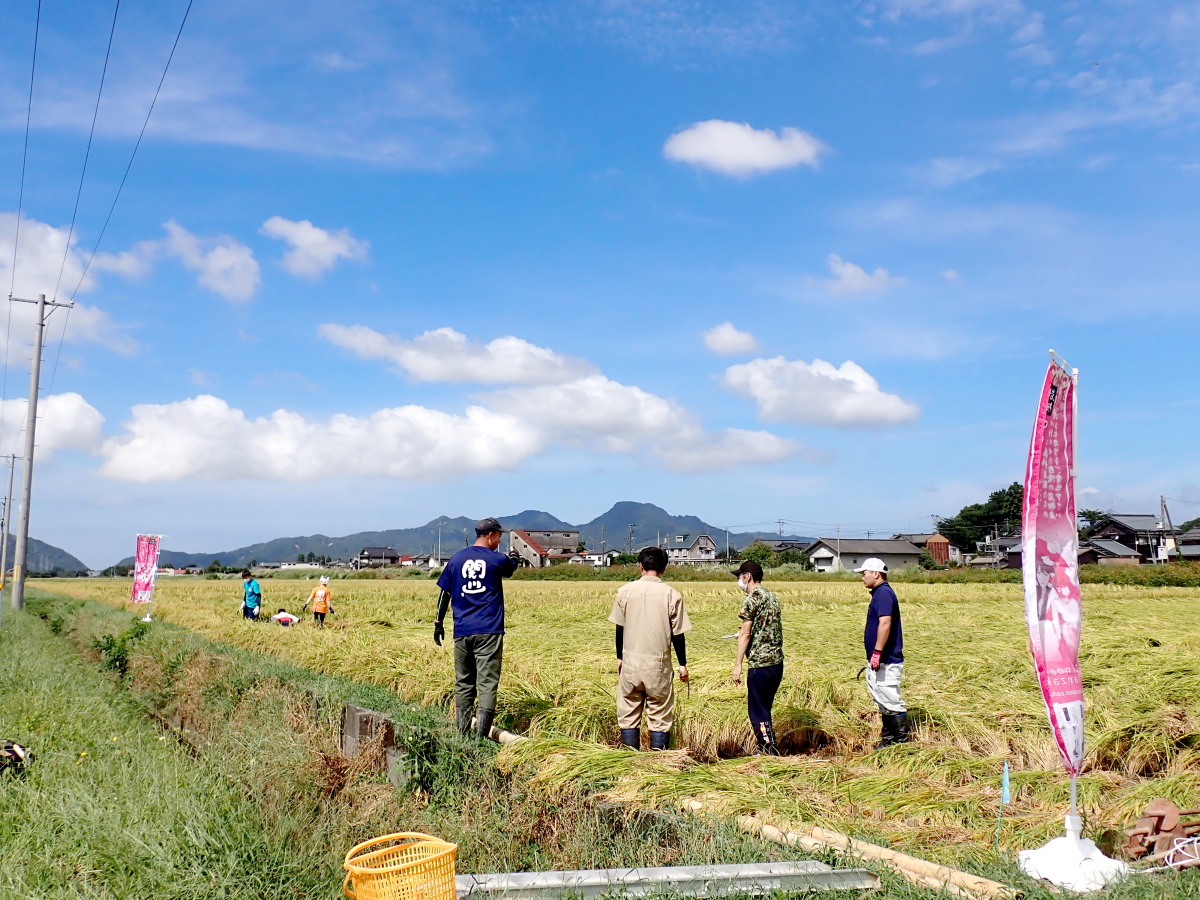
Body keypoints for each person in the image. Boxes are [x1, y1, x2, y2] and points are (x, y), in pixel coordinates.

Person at [433, 518, 521, 739]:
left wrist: (438, 622)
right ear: (491, 535)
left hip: (462, 630)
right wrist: (514, 556)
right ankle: (480, 737)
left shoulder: (456, 559)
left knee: (463, 682)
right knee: (487, 683)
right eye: (499, 536)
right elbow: (511, 567)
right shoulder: (496, 559)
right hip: (489, 629)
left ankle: (462, 734)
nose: (499, 540)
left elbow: (445, 592)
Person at [609, 546, 691, 751]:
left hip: (631, 662)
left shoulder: (625, 591)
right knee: (660, 715)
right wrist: (682, 664)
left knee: (628, 713)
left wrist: (620, 657)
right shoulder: (672, 595)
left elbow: (620, 627)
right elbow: (677, 634)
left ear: (641, 567)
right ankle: (658, 763)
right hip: (658, 665)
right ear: (664, 569)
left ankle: (629, 760)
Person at [730, 560, 784, 755]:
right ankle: (768, 748)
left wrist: (738, 665)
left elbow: (745, 634)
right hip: (776, 663)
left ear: (748, 576)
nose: (739, 580)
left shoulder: (752, 599)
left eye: (740, 576)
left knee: (757, 711)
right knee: (765, 708)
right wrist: (746, 632)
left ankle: (768, 750)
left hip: (760, 664)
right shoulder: (772, 596)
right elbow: (765, 627)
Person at [855, 557, 910, 748]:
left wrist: (877, 652)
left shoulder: (884, 594)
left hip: (887, 660)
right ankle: (888, 741)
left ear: (876, 574)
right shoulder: (879, 593)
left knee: (891, 701)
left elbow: (885, 623)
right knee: (883, 701)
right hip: (880, 659)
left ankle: (900, 743)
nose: (862, 577)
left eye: (864, 573)